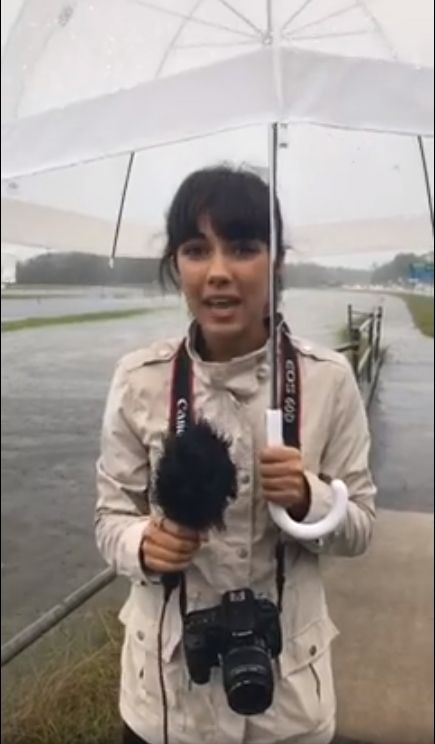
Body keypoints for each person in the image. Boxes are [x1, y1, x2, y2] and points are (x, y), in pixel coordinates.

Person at [95, 165, 376, 744]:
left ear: (277, 263)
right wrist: (143, 544)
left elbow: (360, 528)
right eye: (197, 250)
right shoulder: (138, 380)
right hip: (164, 704)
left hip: (289, 707)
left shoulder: (328, 380)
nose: (218, 272)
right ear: (176, 264)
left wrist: (308, 498)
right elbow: (109, 519)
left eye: (244, 248)